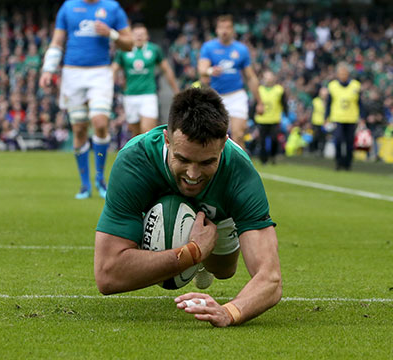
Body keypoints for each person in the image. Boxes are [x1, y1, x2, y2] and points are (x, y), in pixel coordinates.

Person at [94, 88, 282, 328]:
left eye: (207, 162)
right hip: (167, 209)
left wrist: (230, 312)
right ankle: (195, 256)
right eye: (182, 159)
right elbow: (107, 275)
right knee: (170, 215)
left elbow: (271, 279)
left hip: (219, 215)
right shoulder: (135, 160)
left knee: (224, 270)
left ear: (224, 144)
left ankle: (204, 259)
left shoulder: (240, 171)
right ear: (167, 139)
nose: (193, 175)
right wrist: (192, 253)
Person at [39, 0, 132, 199]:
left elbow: (129, 43)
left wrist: (111, 33)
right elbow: (57, 41)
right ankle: (84, 185)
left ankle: (100, 178)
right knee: (79, 128)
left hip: (100, 73)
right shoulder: (68, 7)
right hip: (72, 74)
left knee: (100, 122)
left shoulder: (112, 8)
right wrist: (48, 69)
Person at [198, 15, 264, 149]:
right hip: (215, 97)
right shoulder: (208, 47)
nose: (224, 31)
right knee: (214, 137)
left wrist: (260, 102)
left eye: (228, 27)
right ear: (216, 30)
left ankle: (240, 169)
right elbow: (202, 69)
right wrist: (210, 71)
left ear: (233, 30)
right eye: (221, 27)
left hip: (236, 96)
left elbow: (251, 77)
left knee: (238, 135)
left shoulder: (241, 49)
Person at [112, 23, 179, 137]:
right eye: (136, 34)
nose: (139, 37)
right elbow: (113, 69)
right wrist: (110, 90)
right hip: (130, 96)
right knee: (136, 135)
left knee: (147, 132)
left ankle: (149, 154)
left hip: (148, 95)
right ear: (131, 36)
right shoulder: (123, 51)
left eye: (142, 34)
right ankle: (139, 155)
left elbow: (167, 69)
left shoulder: (154, 49)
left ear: (147, 36)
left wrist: (176, 91)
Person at [325, 62, 365, 170]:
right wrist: (326, 117)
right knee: (338, 140)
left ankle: (347, 163)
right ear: (337, 74)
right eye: (341, 73)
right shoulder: (332, 86)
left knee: (349, 142)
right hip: (337, 118)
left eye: (345, 73)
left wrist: (362, 117)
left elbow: (360, 103)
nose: (343, 75)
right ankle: (338, 161)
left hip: (351, 118)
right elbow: (329, 103)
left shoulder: (355, 85)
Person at [254, 70, 287, 164]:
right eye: (266, 77)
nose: (268, 79)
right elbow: (255, 104)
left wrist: (286, 115)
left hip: (274, 119)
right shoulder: (259, 90)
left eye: (269, 77)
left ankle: (273, 156)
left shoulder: (279, 90)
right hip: (262, 119)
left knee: (274, 139)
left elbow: (284, 103)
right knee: (262, 141)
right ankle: (263, 159)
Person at [309, 87, 328, 155]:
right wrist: (310, 121)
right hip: (316, 122)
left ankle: (321, 151)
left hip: (325, 123)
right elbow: (311, 112)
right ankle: (313, 150)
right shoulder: (315, 101)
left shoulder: (328, 102)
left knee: (324, 138)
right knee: (315, 137)